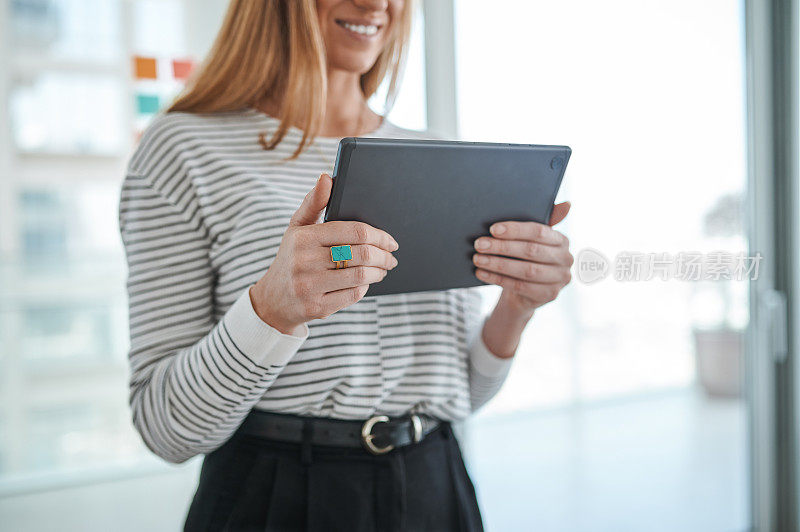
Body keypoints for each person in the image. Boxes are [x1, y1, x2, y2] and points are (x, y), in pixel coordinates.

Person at [118, 0, 573, 530]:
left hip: (435, 481)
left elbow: (463, 393)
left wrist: (517, 307)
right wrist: (271, 311)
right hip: (276, 494)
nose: (377, 4)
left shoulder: (432, 155)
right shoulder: (183, 149)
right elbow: (165, 429)